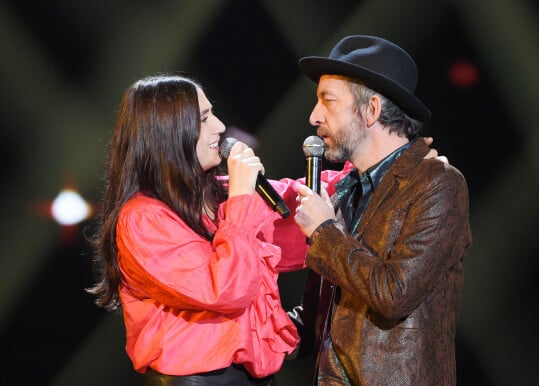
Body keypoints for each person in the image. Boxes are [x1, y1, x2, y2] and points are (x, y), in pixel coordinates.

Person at [85, 74, 310, 385]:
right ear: (169, 132)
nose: (219, 126)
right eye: (204, 119)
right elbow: (226, 289)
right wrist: (243, 199)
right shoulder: (142, 219)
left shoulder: (219, 195)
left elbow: (294, 212)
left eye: (213, 113)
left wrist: (370, 168)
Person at [290, 35, 473, 385]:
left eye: (328, 102)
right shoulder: (345, 191)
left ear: (372, 109)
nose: (314, 117)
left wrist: (325, 231)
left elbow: (394, 294)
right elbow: (323, 311)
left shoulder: (439, 184)